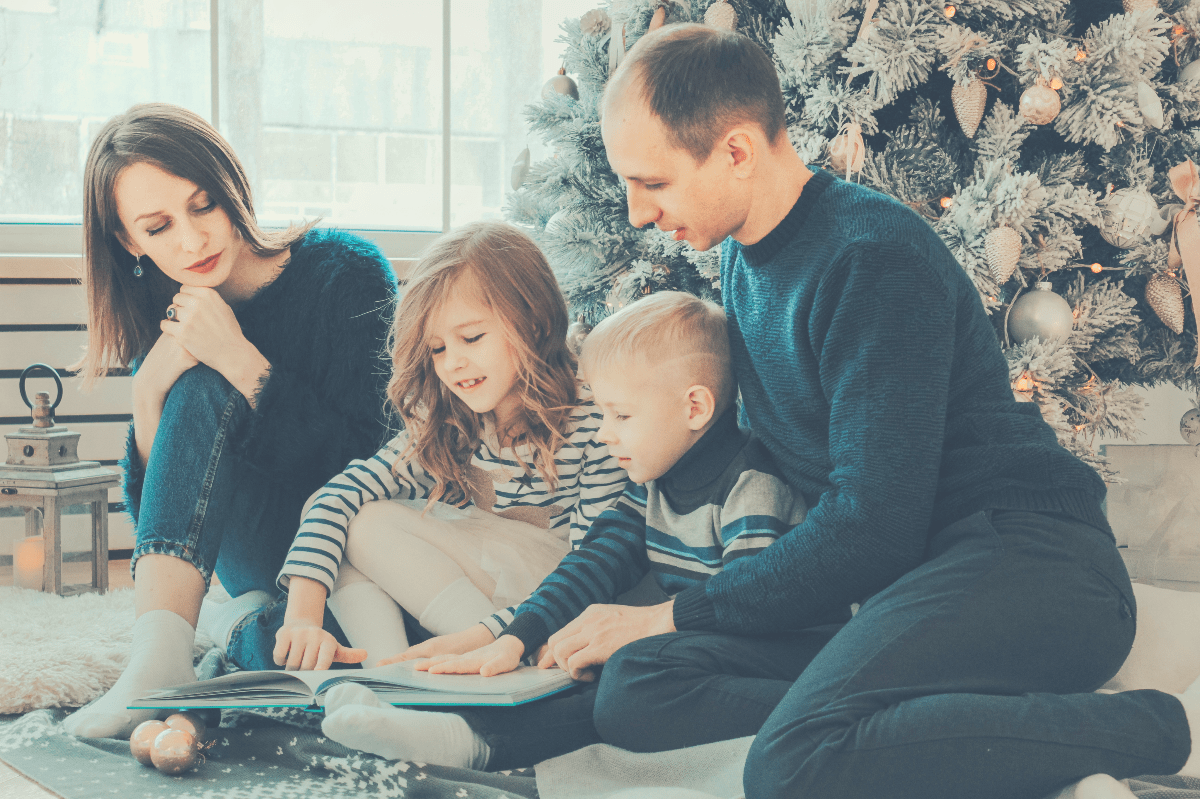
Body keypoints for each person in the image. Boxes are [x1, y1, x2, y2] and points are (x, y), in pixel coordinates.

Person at [583, 22, 1197, 799]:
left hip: (1031, 563)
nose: (638, 212)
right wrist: (541, 624)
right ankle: (919, 719)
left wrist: (672, 614)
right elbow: (713, 469)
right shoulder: (743, 262)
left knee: (790, 764)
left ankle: (1152, 726)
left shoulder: (872, 257)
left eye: (654, 183)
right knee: (637, 685)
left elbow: (873, 523)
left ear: (737, 151)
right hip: (901, 586)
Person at [314, 289, 846, 770]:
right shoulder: (654, 480)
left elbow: (742, 605)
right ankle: (458, 733)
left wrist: (635, 639)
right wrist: (514, 637)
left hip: (783, 654)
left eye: (620, 416)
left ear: (695, 407)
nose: (607, 435)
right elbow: (592, 563)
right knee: (612, 670)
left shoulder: (752, 487)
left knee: (629, 678)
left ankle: (476, 744)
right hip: (709, 646)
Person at [62, 103, 397, 740]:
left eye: (203, 205)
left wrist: (243, 362)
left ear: (232, 187)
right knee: (193, 383)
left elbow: (371, 461)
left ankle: (229, 626)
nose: (191, 241)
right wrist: (149, 390)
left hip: (356, 544)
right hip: (257, 552)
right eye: (158, 227)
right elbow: (162, 514)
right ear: (131, 242)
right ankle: (158, 662)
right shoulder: (171, 310)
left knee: (338, 650)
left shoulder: (346, 274)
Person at [271, 221, 628, 676]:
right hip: (476, 602)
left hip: (555, 602)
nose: (453, 362)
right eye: (437, 348)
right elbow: (336, 496)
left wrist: (505, 634)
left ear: (535, 324)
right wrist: (302, 617)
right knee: (347, 521)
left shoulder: (594, 420)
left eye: (472, 338)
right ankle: (391, 674)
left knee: (365, 525)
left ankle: (487, 667)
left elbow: (594, 568)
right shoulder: (450, 417)